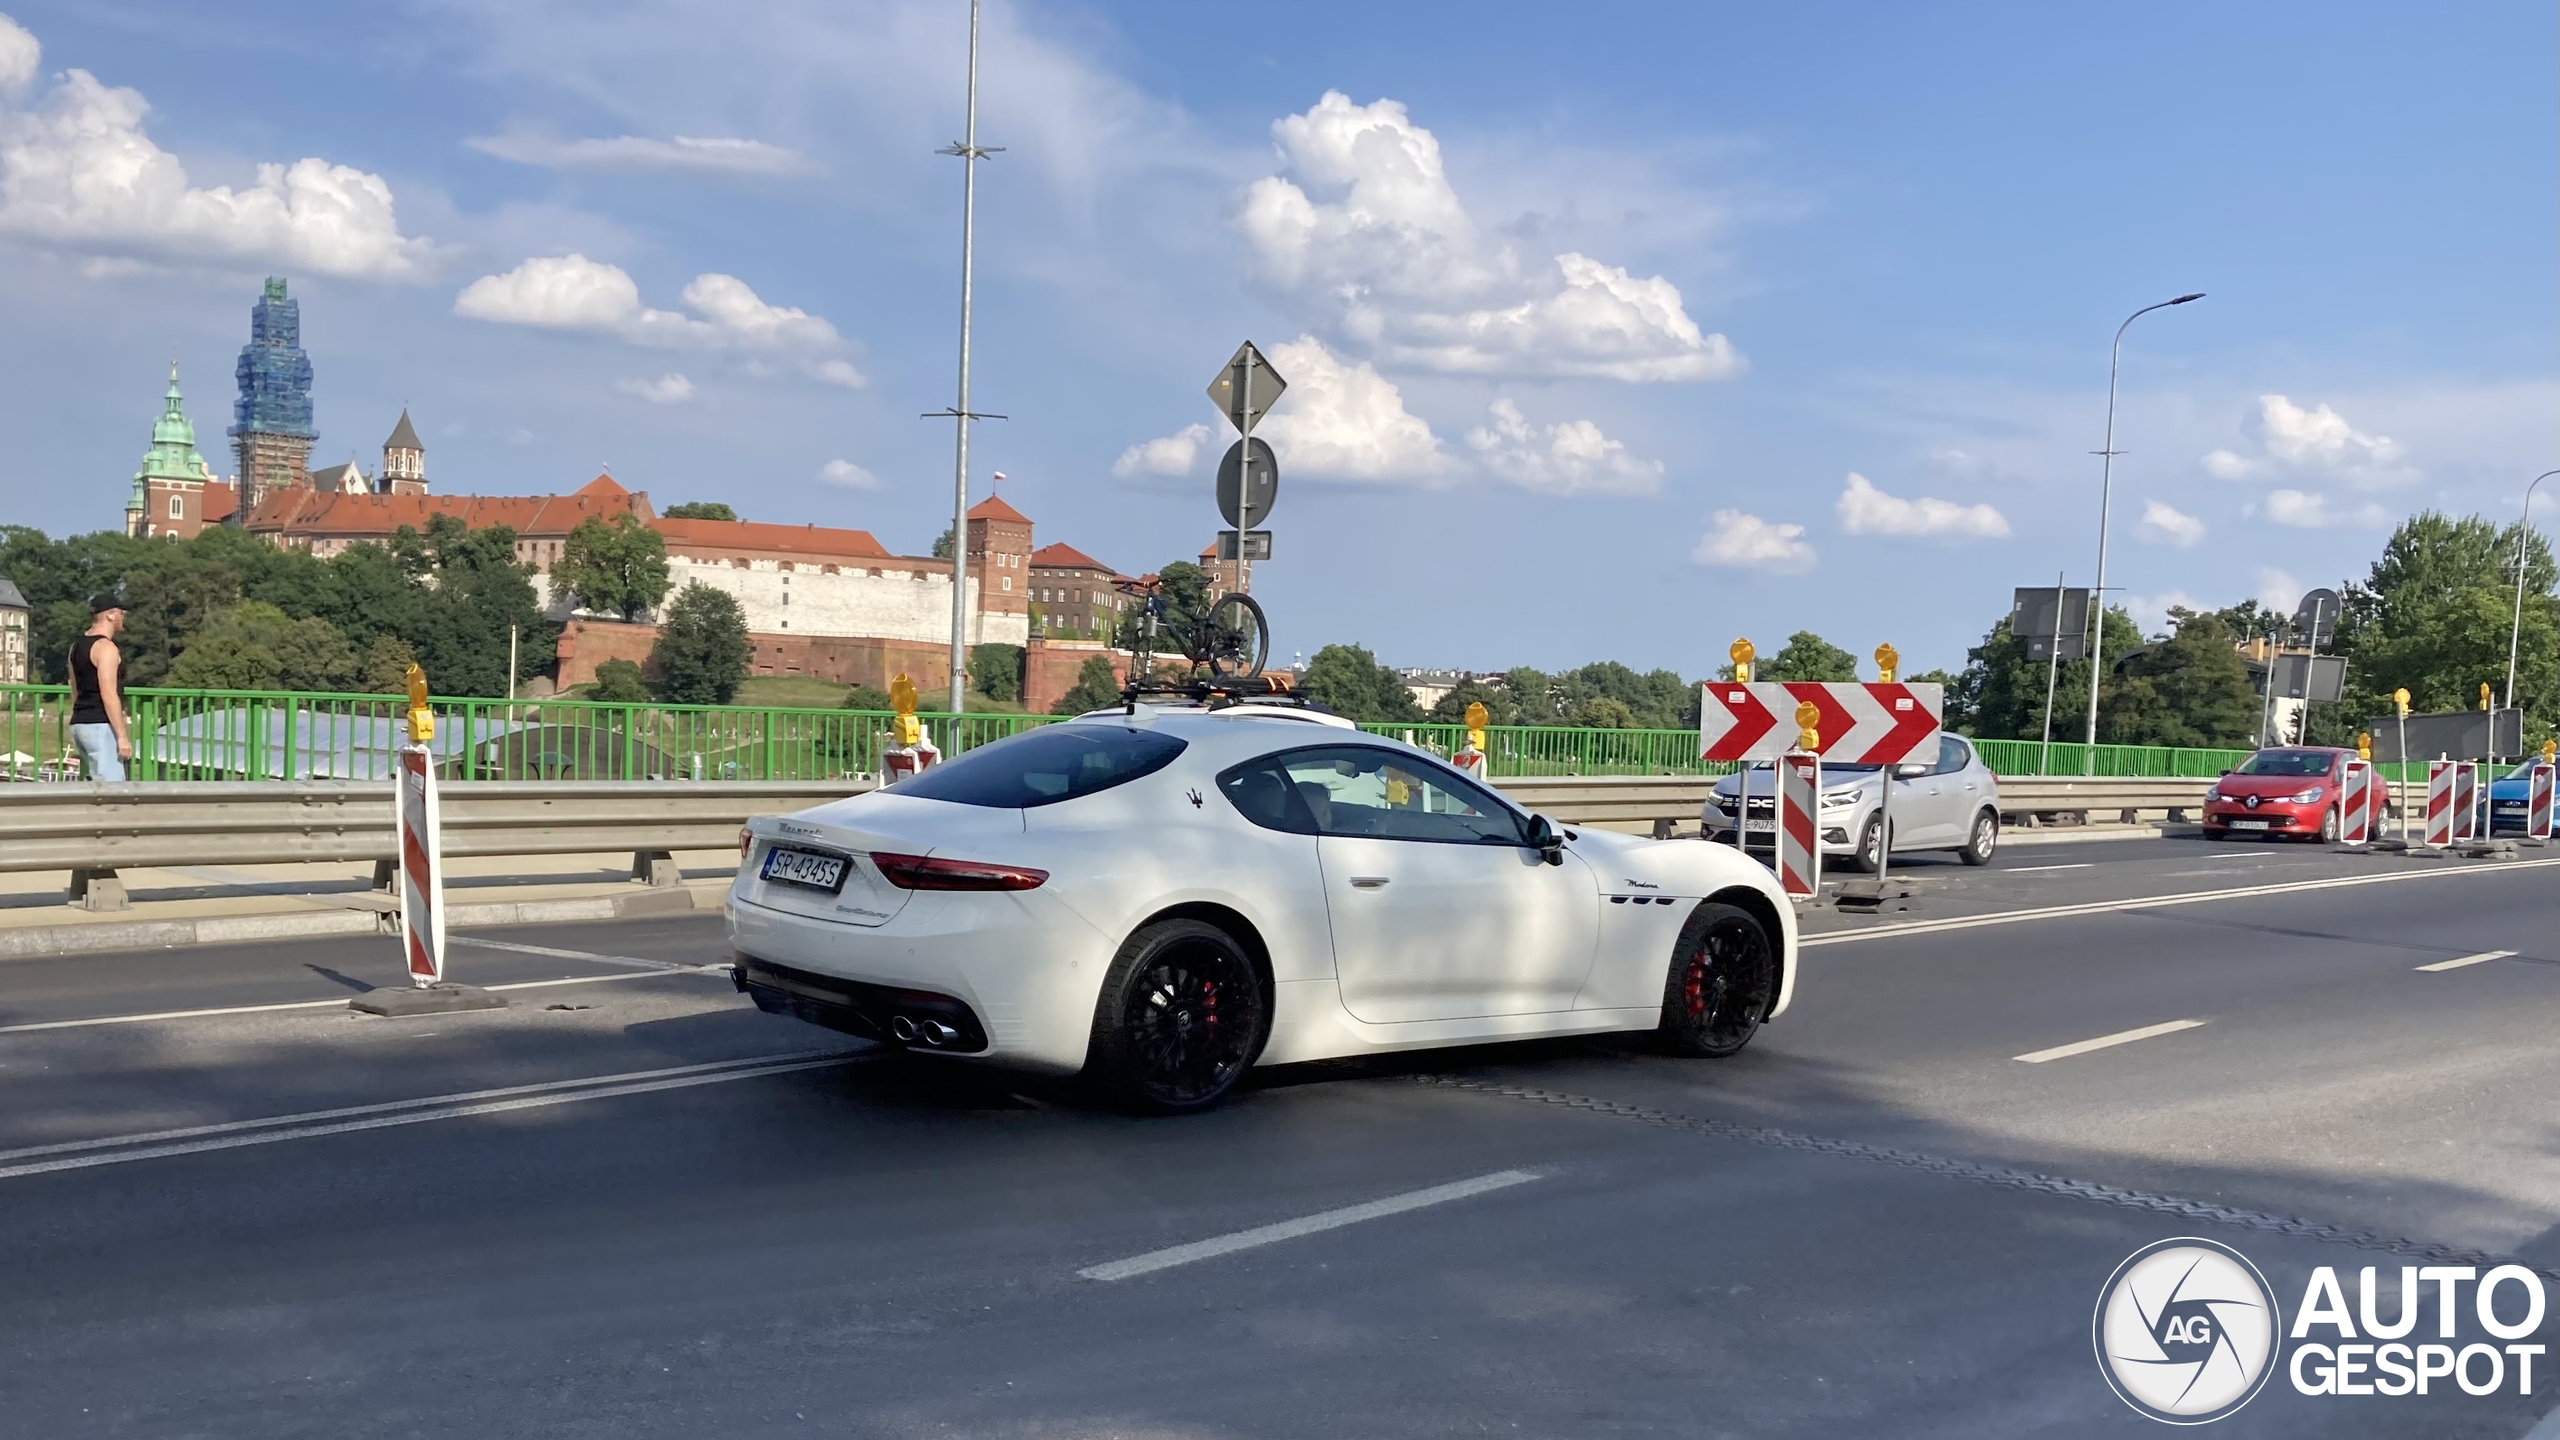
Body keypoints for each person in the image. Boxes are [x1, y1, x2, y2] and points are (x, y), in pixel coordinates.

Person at [68, 593, 132, 781]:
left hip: (79, 723)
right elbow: (109, 694)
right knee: (111, 790)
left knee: (95, 785)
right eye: (121, 612)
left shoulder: (75, 646)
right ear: (110, 615)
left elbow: (74, 687)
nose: (123, 617)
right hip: (101, 725)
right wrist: (122, 736)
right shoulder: (106, 648)